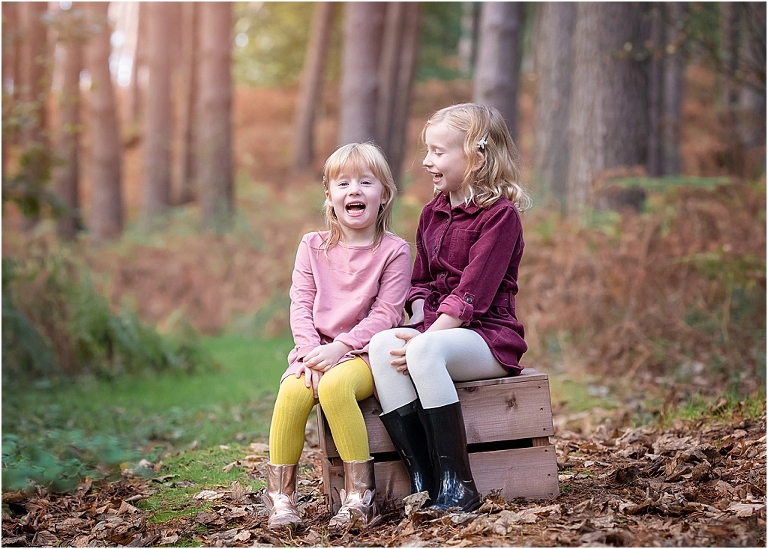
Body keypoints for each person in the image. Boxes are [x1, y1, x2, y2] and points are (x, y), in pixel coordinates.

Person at [368, 103, 531, 513]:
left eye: (438, 152)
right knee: (381, 345)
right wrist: (419, 320)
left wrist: (425, 337)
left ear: (477, 157)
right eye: (428, 151)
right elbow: (420, 280)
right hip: (441, 330)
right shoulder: (432, 213)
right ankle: (424, 478)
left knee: (421, 350)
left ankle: (459, 485)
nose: (427, 161)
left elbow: (470, 297)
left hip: (489, 338)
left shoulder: (501, 216)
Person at [264, 142, 411, 530]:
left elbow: (387, 314)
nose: (355, 190)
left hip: (362, 355)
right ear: (329, 197)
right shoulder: (312, 246)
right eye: (343, 183)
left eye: (366, 182)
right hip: (314, 353)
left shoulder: (394, 251)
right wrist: (312, 354)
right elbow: (301, 303)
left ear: (385, 195)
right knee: (293, 391)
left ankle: (361, 498)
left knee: (333, 389)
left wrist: (340, 349)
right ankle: (282, 500)